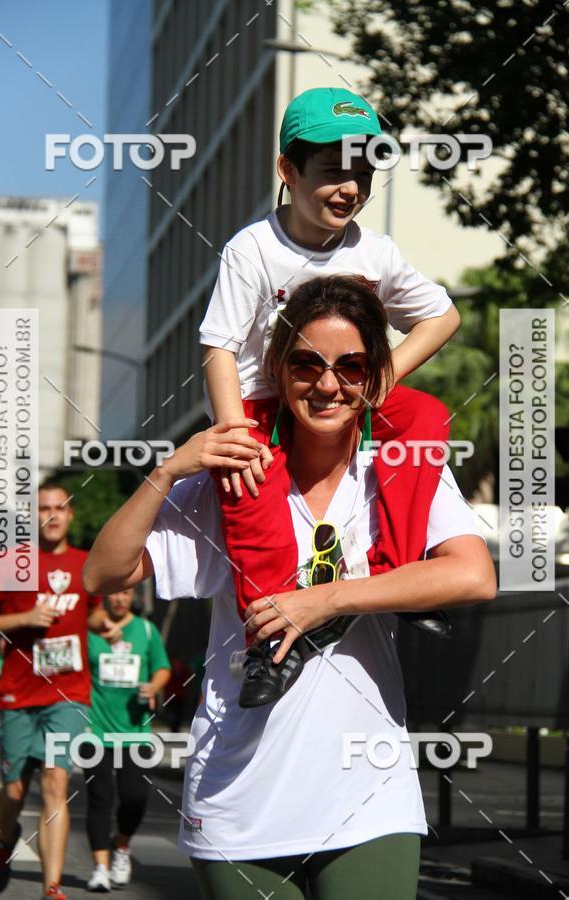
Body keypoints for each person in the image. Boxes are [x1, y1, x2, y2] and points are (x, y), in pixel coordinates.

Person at [83, 275, 496, 900]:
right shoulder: (231, 486)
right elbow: (103, 574)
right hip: (238, 798)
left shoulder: (399, 468)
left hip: (369, 796)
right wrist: (170, 469)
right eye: (306, 363)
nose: (327, 385)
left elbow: (473, 575)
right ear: (278, 368)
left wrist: (327, 597)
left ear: (374, 373)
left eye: (350, 366)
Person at [200, 86, 461, 706]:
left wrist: (375, 380)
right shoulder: (254, 248)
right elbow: (218, 348)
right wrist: (236, 432)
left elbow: (441, 317)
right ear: (288, 171)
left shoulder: (375, 252)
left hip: (340, 401)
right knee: (249, 492)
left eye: (364, 170)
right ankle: (268, 637)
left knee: (424, 413)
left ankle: (397, 572)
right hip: (270, 404)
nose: (351, 186)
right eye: (334, 171)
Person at [0, 482, 119, 900]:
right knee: (15, 790)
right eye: (42, 509)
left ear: (71, 515)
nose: (51, 515)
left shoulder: (87, 563)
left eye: (59, 508)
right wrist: (24, 619)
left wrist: (102, 623)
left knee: (56, 780)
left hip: (69, 694)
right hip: (17, 694)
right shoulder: (9, 562)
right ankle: (5, 839)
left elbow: (91, 612)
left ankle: (51, 888)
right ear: (31, 517)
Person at [84, 587, 170, 892]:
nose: (119, 598)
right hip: (95, 730)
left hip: (135, 732)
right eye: (114, 593)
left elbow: (162, 668)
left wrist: (153, 687)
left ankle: (121, 847)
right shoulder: (93, 629)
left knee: (135, 796)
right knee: (100, 797)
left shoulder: (146, 630)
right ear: (106, 596)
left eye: (125, 593)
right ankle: (100, 868)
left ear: (133, 594)